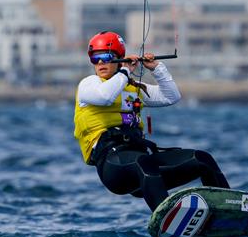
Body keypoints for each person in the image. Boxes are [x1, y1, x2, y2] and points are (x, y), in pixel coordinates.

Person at [74, 31, 231, 211]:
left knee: (203, 160)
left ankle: (227, 210)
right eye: (95, 58)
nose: (100, 62)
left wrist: (157, 68)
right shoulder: (89, 84)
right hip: (113, 168)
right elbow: (105, 96)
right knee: (143, 162)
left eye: (106, 57)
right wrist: (125, 70)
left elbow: (171, 96)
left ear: (119, 57)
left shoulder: (133, 87)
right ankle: (168, 218)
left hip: (145, 166)